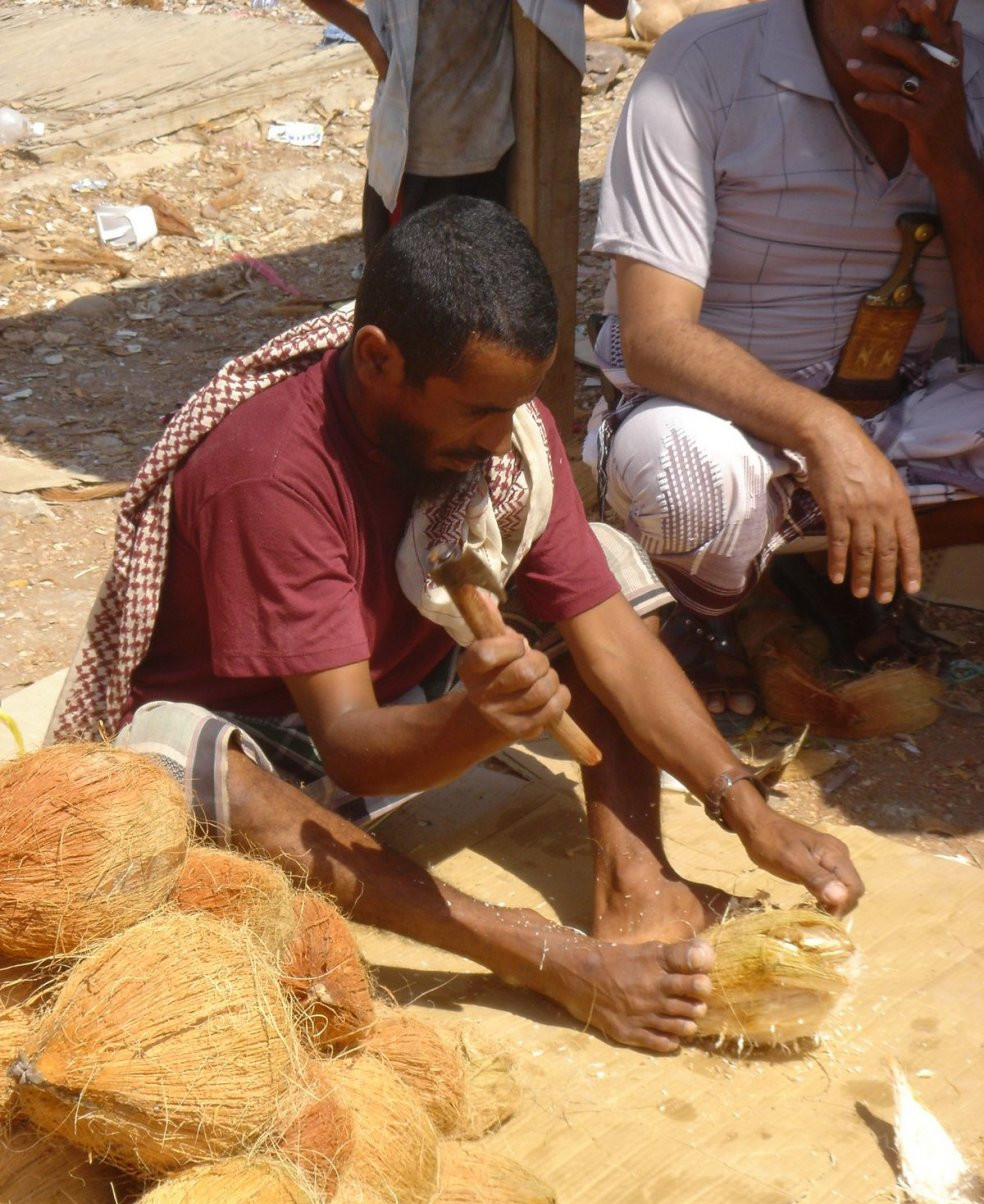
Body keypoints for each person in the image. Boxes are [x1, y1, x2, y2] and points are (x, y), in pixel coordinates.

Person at [49, 198, 862, 1054]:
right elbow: (350, 745)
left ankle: (636, 884)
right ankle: (543, 957)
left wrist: (745, 806)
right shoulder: (274, 472)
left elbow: (611, 636)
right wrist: (477, 721)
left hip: (413, 707)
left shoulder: (498, 425)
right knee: (167, 756)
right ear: (377, 360)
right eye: (478, 410)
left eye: (518, 404)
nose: (502, 435)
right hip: (288, 750)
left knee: (611, 570)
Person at [585, 0, 984, 714]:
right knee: (684, 483)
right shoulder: (701, 69)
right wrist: (821, 429)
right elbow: (653, 339)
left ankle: (834, 575)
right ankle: (710, 608)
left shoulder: (974, 70)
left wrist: (953, 160)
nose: (929, 8)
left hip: (909, 414)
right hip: (724, 417)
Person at [302, 0, 628, 252]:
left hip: (488, 154)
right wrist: (371, 40)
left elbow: (614, 7)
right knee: (403, 307)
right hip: (410, 158)